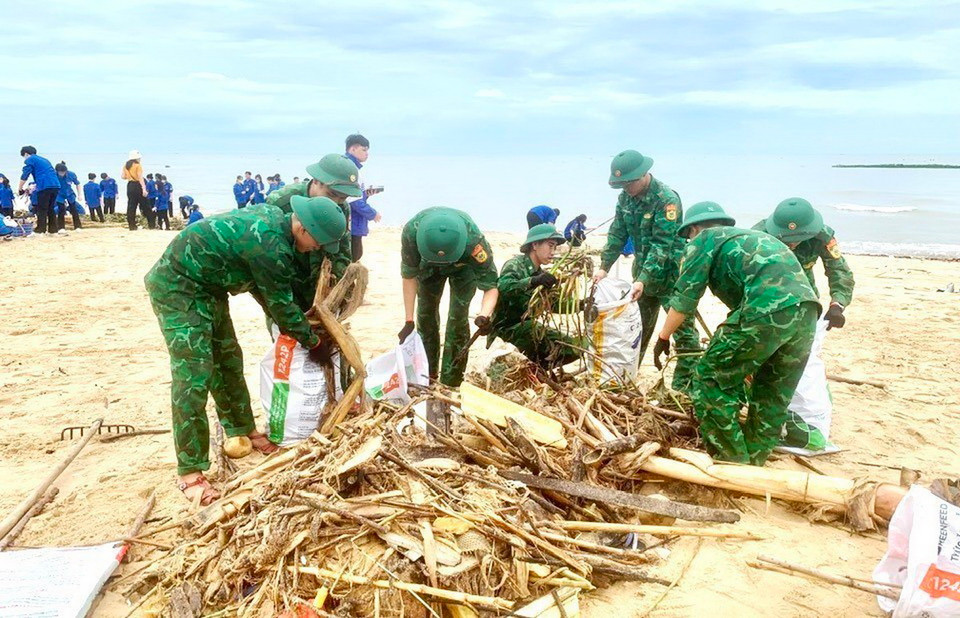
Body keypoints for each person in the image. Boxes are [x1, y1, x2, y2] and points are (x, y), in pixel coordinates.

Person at [144, 196, 347, 505]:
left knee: (228, 358)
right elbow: (279, 303)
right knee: (194, 373)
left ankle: (242, 429)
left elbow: (264, 291)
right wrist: (313, 342)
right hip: (177, 284)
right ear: (303, 228)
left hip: (209, 287)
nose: (316, 250)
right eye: (318, 244)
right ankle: (190, 471)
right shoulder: (270, 246)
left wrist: (301, 327)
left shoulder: (278, 224)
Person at [653, 201, 819, 466]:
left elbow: (684, 299)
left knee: (709, 378)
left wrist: (663, 337)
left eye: (688, 237)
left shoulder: (704, 240)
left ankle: (732, 462)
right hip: (808, 314)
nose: (688, 243)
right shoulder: (754, 238)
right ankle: (753, 465)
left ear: (694, 229)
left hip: (766, 309)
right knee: (771, 397)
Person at [593, 150, 700, 393]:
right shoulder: (625, 199)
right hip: (642, 276)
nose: (626, 188)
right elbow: (617, 233)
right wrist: (603, 268)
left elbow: (663, 245)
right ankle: (626, 383)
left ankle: (685, 390)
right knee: (635, 331)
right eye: (621, 184)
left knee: (684, 336)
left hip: (672, 276)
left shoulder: (666, 199)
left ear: (643, 175)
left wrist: (643, 279)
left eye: (628, 182)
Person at [399, 207, 499, 387]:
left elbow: (490, 285)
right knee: (425, 315)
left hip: (463, 267)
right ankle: (426, 376)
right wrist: (408, 320)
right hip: (428, 264)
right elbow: (409, 276)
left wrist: (484, 315)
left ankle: (451, 381)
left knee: (458, 318)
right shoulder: (411, 233)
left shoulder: (473, 242)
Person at [266, 154, 362, 298]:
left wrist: (338, 290)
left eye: (343, 198)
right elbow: (269, 260)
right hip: (288, 285)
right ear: (317, 181)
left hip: (321, 287)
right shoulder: (280, 203)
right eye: (331, 194)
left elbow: (342, 252)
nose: (335, 202)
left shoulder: (342, 208)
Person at [753, 198, 854, 330]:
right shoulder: (757, 238)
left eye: (797, 238)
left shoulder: (822, 236)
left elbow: (839, 271)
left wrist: (837, 304)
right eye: (786, 238)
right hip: (767, 299)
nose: (792, 243)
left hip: (806, 299)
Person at [492, 224, 582, 370]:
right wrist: (532, 281)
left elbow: (551, 304)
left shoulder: (541, 273)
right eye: (550, 246)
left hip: (527, 330)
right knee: (536, 330)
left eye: (555, 248)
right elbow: (504, 287)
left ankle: (535, 370)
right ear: (535, 244)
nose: (553, 252)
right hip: (505, 332)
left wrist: (581, 304)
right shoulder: (515, 265)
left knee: (573, 347)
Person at [344, 133, 382, 262]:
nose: (367, 154)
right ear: (353, 149)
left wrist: (365, 194)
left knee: (354, 255)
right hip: (351, 222)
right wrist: (372, 214)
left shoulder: (347, 165)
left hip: (349, 221)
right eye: (364, 150)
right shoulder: (351, 169)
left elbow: (351, 195)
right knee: (354, 256)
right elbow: (353, 200)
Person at [17, 146, 61, 235]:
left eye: (24, 156)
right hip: (55, 185)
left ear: (26, 154)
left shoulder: (30, 159)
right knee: (50, 208)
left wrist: (20, 188)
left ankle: (40, 230)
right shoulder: (44, 160)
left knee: (42, 208)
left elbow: (25, 174)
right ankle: (53, 230)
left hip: (44, 185)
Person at [121, 151, 150, 230]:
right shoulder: (138, 166)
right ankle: (151, 224)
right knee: (145, 205)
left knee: (131, 206)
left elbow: (123, 177)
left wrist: (129, 176)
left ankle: (132, 225)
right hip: (137, 185)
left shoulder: (126, 166)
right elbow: (140, 178)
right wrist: (144, 189)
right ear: (136, 158)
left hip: (130, 186)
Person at [54, 162, 83, 232]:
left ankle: (77, 227)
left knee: (74, 209)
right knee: (61, 210)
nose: (62, 174)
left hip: (69, 193)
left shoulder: (71, 174)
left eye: (64, 172)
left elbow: (78, 184)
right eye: (60, 172)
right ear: (57, 171)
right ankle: (61, 228)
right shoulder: (53, 175)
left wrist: (80, 195)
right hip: (59, 194)